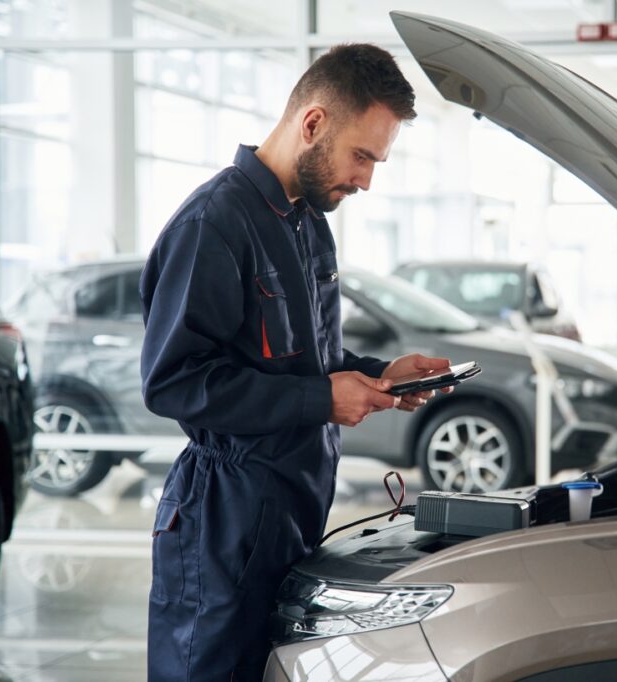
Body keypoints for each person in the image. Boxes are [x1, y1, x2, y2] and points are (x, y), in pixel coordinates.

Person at [139, 44, 449, 681]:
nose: (366, 179)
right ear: (313, 124)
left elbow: (310, 360)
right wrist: (321, 400)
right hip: (222, 525)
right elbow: (174, 382)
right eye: (361, 156)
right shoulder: (214, 225)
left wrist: (380, 374)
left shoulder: (308, 222)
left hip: (290, 512)